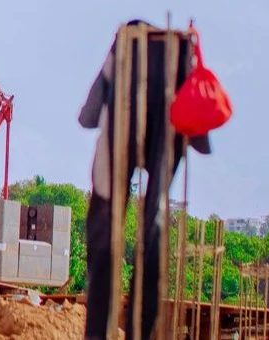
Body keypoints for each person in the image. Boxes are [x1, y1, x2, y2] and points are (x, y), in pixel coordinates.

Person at [79, 21, 212, 340]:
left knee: (105, 233)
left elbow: (89, 115)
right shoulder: (181, 52)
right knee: (154, 225)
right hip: (168, 131)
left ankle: (97, 332)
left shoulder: (124, 45)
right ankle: (141, 331)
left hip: (118, 134)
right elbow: (200, 133)